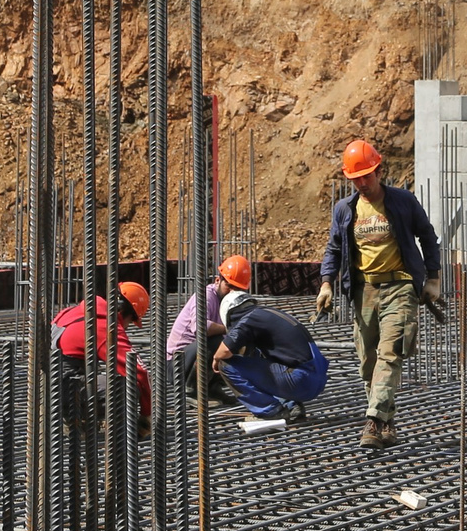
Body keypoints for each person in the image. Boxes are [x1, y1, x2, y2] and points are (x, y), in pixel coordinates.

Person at [313, 138, 441, 449]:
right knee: (369, 361)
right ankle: (387, 421)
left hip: (399, 286)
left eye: (366, 176)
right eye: (355, 179)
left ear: (379, 171)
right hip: (364, 291)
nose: (361, 183)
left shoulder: (402, 202)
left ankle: (372, 420)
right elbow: (334, 248)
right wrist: (327, 282)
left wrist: (433, 278)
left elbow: (427, 236)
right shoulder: (345, 209)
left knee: (390, 353)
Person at [213, 289, 328, 423]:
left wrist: (216, 359)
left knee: (225, 364)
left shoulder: (249, 319)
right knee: (258, 356)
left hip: (300, 379)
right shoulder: (267, 314)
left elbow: (225, 351)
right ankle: (291, 406)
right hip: (316, 379)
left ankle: (270, 411)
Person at [53, 281, 153, 434]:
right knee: (127, 388)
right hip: (65, 390)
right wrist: (147, 414)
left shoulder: (74, 311)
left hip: (46, 388)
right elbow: (138, 372)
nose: (126, 327)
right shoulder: (105, 326)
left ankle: (76, 419)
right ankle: (76, 420)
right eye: (130, 321)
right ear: (125, 313)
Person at [164, 254, 252, 413]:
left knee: (239, 344)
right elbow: (200, 328)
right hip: (177, 364)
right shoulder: (206, 296)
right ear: (218, 280)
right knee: (216, 340)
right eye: (229, 285)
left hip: (197, 359)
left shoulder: (233, 302)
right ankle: (191, 391)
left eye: (237, 288)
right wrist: (229, 329)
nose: (232, 292)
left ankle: (212, 387)